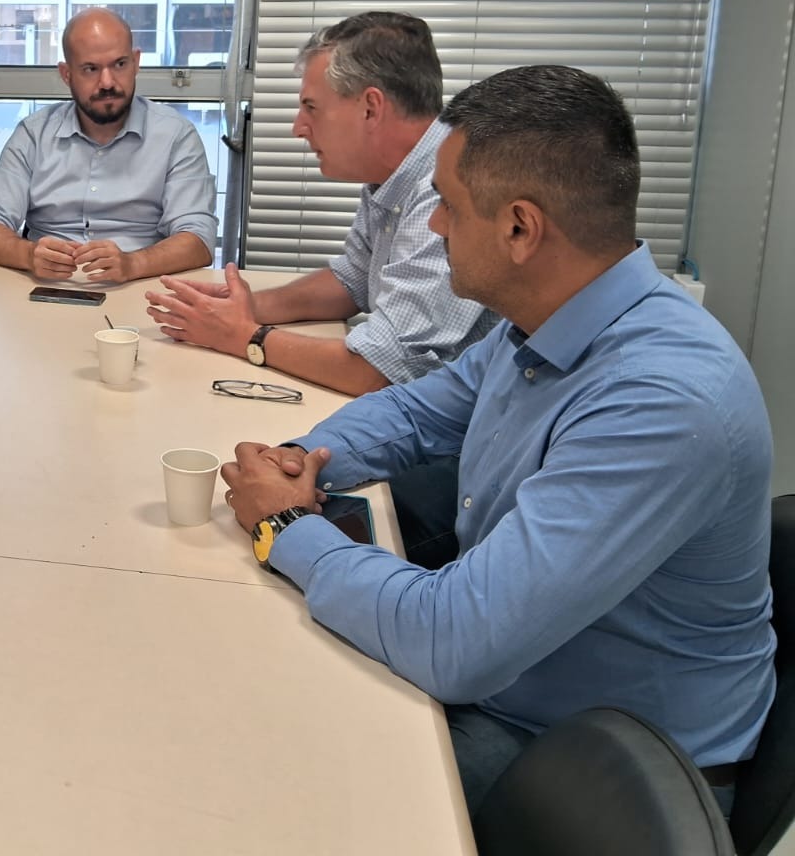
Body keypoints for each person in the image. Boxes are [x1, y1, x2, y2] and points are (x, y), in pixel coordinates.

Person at [219, 64, 774, 818]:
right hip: (522, 682)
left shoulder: (664, 403)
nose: (434, 226)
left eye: (446, 206)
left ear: (520, 227)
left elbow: (455, 642)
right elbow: (416, 413)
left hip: (603, 769)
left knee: (274, 786)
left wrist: (284, 525)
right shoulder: (547, 317)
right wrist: (304, 459)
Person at [147, 11, 494, 396]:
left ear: (371, 108)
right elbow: (353, 281)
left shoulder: (447, 190)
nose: (298, 127)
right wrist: (247, 305)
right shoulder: (394, 176)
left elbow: (376, 371)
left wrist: (246, 336)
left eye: (311, 107)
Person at [0, 6, 217, 283]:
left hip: (141, 285)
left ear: (136, 62)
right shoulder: (34, 134)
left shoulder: (176, 135)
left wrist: (133, 263)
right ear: (66, 74)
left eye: (120, 64)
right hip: (46, 286)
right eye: (90, 69)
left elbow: (199, 238)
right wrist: (28, 255)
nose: (108, 82)